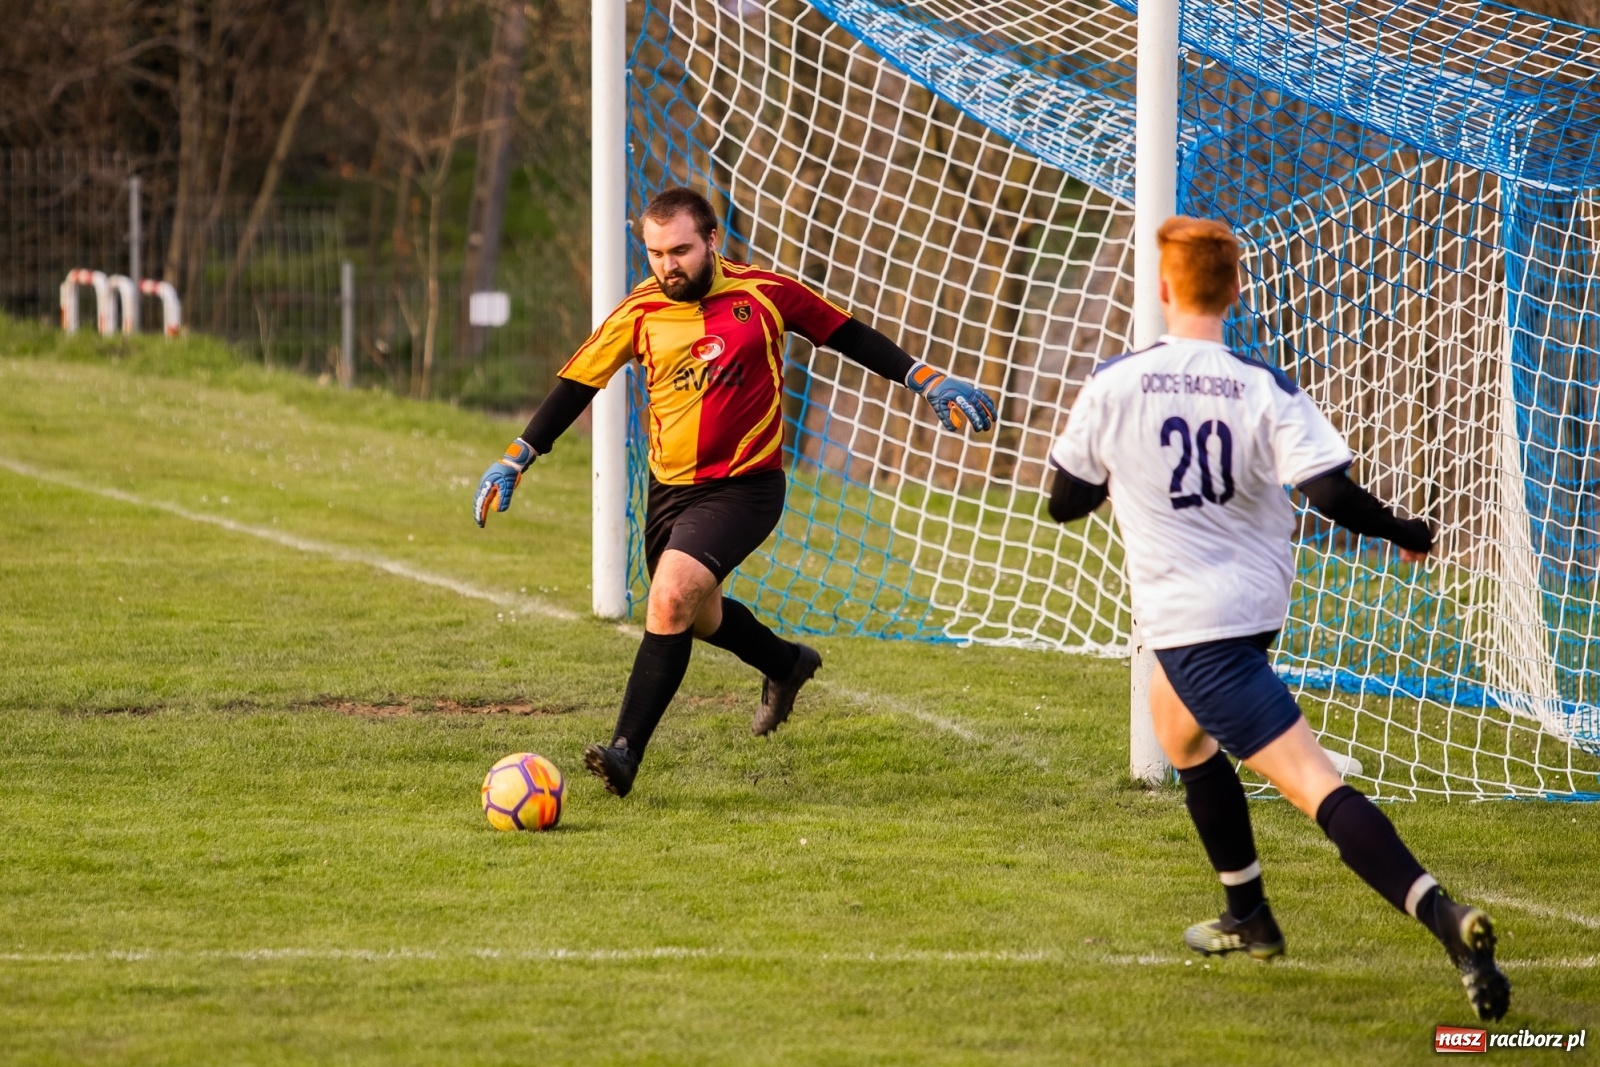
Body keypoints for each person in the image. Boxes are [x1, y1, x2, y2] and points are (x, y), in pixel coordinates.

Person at [1044, 215, 1510, 1021]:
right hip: (1253, 609)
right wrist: (1405, 530)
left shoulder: (1115, 382)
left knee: (1313, 784)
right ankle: (1249, 914)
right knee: (1179, 732)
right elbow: (1330, 492)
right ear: (1234, 291)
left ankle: (1446, 918)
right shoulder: (1262, 384)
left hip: (1197, 625)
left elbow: (1062, 503)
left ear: (1162, 288)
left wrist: (1117, 474)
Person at [473, 186, 997, 798]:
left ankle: (624, 753)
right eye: (656, 253)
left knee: (668, 599)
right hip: (670, 493)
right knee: (698, 617)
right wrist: (518, 455)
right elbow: (577, 385)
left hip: (747, 488)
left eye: (681, 250)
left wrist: (922, 376)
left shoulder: (765, 293)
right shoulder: (639, 312)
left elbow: (845, 332)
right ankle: (785, 663)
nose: (669, 265)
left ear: (713, 241)